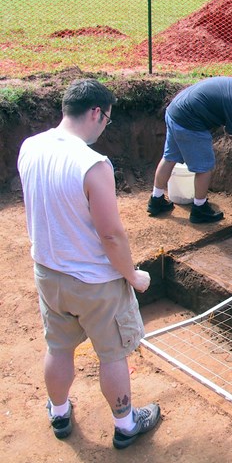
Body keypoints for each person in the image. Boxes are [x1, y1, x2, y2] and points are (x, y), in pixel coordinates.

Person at [17, 79, 161, 449]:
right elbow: (111, 235)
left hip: (48, 273)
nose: (104, 126)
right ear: (96, 112)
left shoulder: (30, 147)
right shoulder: (93, 164)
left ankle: (60, 411)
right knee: (112, 354)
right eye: (107, 119)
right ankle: (126, 424)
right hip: (95, 282)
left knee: (59, 347)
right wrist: (132, 276)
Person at [148, 73, 232, 223]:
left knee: (169, 157)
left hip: (175, 112)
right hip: (190, 121)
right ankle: (199, 209)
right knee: (205, 167)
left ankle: (156, 201)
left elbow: (226, 122)